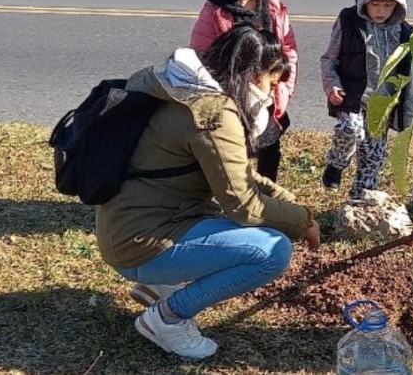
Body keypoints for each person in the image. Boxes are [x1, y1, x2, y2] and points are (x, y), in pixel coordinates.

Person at [96, 26, 320, 360]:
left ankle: (158, 285)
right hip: (141, 242)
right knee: (273, 251)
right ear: (253, 74)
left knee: (249, 230)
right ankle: (167, 319)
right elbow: (244, 204)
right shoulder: (214, 115)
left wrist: (288, 203)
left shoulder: (187, 90)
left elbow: (234, 173)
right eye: (272, 83)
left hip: (134, 224)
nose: (272, 94)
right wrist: (300, 222)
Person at [190, 0, 297, 182]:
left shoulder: (273, 7)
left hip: (267, 94)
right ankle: (230, 197)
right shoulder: (214, 12)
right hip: (231, 96)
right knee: (231, 153)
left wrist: (283, 88)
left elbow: (288, 49)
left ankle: (267, 198)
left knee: (270, 149)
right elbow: (202, 57)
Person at [319, 0, 413, 199]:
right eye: (375, 4)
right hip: (353, 97)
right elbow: (329, 59)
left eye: (387, 4)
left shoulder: (405, 32)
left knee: (374, 154)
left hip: (382, 105)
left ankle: (361, 197)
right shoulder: (348, 22)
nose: (381, 10)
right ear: (364, 0)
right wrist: (332, 84)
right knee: (350, 127)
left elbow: (408, 74)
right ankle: (336, 164)